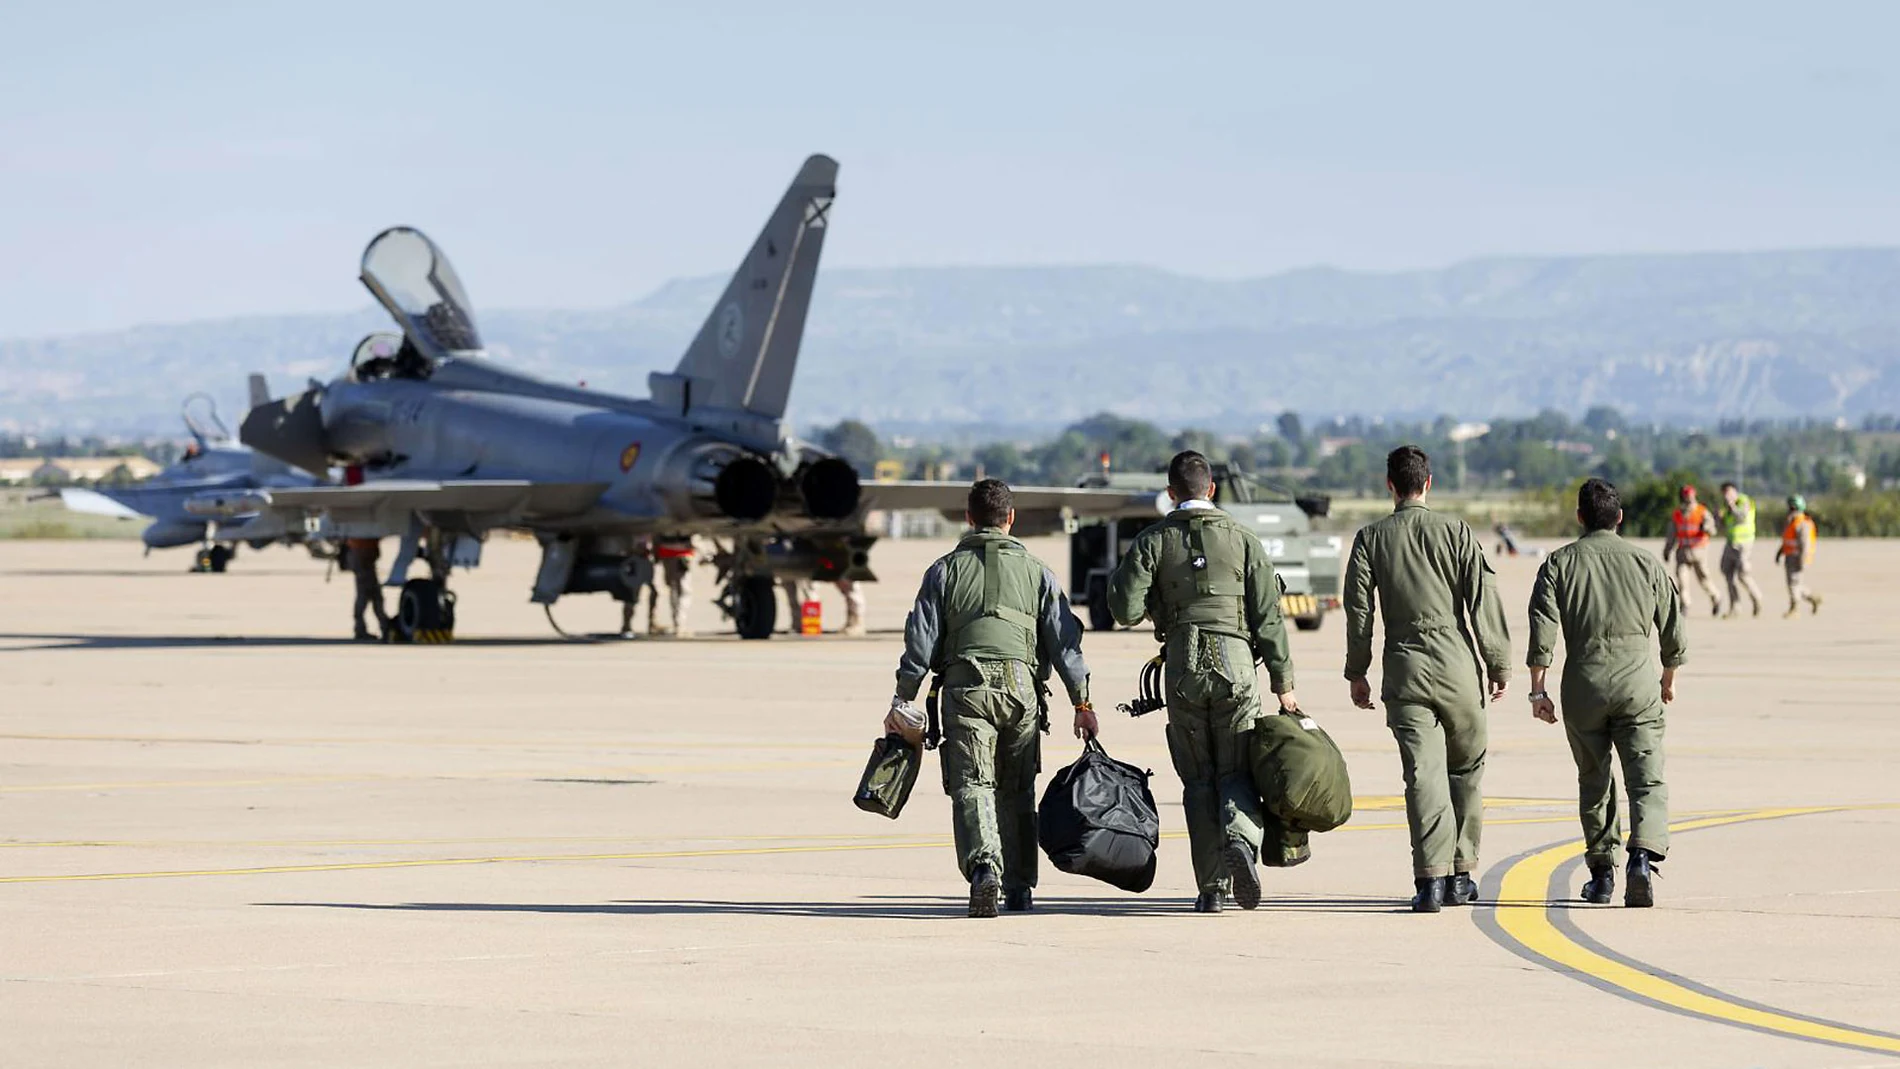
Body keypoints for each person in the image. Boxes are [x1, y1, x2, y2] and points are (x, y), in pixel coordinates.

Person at [890, 478, 1096, 917]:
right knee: (1017, 789)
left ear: (969, 519)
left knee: (972, 784)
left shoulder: (943, 571)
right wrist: (1082, 703)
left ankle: (985, 868)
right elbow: (1064, 642)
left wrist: (903, 698)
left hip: (967, 688)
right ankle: (1020, 887)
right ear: (1011, 519)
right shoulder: (1039, 572)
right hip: (1023, 689)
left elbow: (920, 642)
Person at [1106, 450, 1297, 913]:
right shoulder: (1245, 540)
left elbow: (1123, 610)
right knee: (1237, 769)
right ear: (1212, 489)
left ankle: (1211, 889)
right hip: (1235, 663)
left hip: (1182, 666)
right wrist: (1283, 684)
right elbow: (1269, 617)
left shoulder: (1154, 541)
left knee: (1198, 779)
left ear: (1170, 493)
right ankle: (1241, 842)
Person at [1343, 446, 1511, 913]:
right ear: (1429, 484)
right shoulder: (1456, 533)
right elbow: (1483, 599)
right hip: (1458, 667)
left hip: (1405, 668)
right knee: (1466, 770)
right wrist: (1499, 664)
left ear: (1390, 486)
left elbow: (1360, 612)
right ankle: (1461, 874)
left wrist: (1357, 671)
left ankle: (1429, 881)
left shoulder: (1370, 538)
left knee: (1423, 776)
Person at [1527, 478, 1685, 908]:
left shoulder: (1559, 563)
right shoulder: (1647, 563)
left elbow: (1542, 629)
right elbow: (1672, 629)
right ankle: (1641, 855)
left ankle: (1601, 875)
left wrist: (1537, 692)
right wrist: (1668, 677)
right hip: (1638, 683)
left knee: (1594, 780)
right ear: (1619, 518)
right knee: (1646, 776)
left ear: (1580, 517)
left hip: (1583, 685)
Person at [1662, 485, 1722, 617]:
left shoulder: (1702, 511)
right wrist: (1667, 550)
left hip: (1699, 551)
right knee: (1682, 580)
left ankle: (1716, 597)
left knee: (1704, 579)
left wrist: (1706, 527)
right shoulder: (1677, 514)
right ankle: (1685, 604)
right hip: (1683, 552)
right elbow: (1672, 534)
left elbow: (1712, 529)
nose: (1689, 499)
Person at [1717, 482, 1763, 618]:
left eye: (1729, 492)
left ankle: (1757, 598)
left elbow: (1741, 516)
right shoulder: (1725, 507)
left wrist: (1731, 506)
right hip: (1731, 543)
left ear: (1735, 491)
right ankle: (1735, 607)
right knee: (1728, 574)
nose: (1727, 495)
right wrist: (1718, 517)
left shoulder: (1744, 501)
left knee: (1743, 574)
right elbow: (1722, 526)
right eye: (1724, 493)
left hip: (1744, 544)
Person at [1774, 495, 1822, 618]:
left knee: (1793, 584)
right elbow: (1786, 540)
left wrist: (1802, 560)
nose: (1790, 510)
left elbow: (1805, 544)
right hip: (1789, 556)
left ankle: (1794, 609)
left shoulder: (1802, 523)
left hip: (1797, 558)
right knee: (1795, 584)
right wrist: (1780, 552)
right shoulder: (1791, 522)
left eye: (1793, 508)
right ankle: (1812, 598)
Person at [647, 534, 696, 637]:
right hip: (681, 554)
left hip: (668, 554)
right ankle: (679, 625)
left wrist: (656, 555)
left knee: (675, 589)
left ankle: (678, 624)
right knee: (682, 591)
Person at [347, 537, 390, 642]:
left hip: (363, 557)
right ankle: (381, 628)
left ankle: (384, 628)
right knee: (367, 596)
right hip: (362, 558)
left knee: (373, 597)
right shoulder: (360, 539)